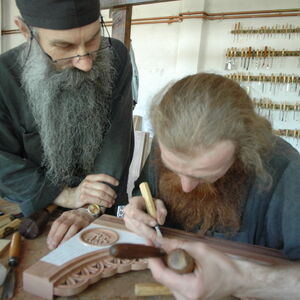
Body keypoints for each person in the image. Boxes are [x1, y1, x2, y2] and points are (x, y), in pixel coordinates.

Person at [124, 73, 300, 299]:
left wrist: (239, 280)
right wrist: (138, 206)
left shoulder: (287, 170)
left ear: (243, 150)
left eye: (204, 175)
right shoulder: (168, 142)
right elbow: (143, 188)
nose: (186, 187)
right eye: (174, 169)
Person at [0, 0, 134, 250]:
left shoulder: (116, 55)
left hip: (101, 204)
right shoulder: (3, 76)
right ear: (25, 30)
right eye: (65, 46)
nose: (86, 63)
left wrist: (91, 206)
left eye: (93, 40)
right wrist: (62, 194)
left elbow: (116, 136)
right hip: (33, 209)